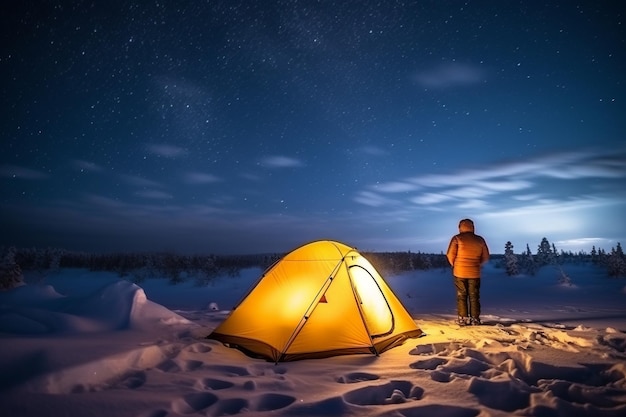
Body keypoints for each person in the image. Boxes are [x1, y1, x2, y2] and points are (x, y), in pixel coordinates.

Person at [446, 218, 490, 326]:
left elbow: (450, 254)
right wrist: (477, 264)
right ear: (472, 227)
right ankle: (475, 318)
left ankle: (463, 318)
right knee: (474, 296)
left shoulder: (457, 238)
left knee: (462, 295)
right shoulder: (480, 240)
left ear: (460, 227)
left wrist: (455, 265)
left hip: (459, 272)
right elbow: (486, 256)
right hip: (474, 272)